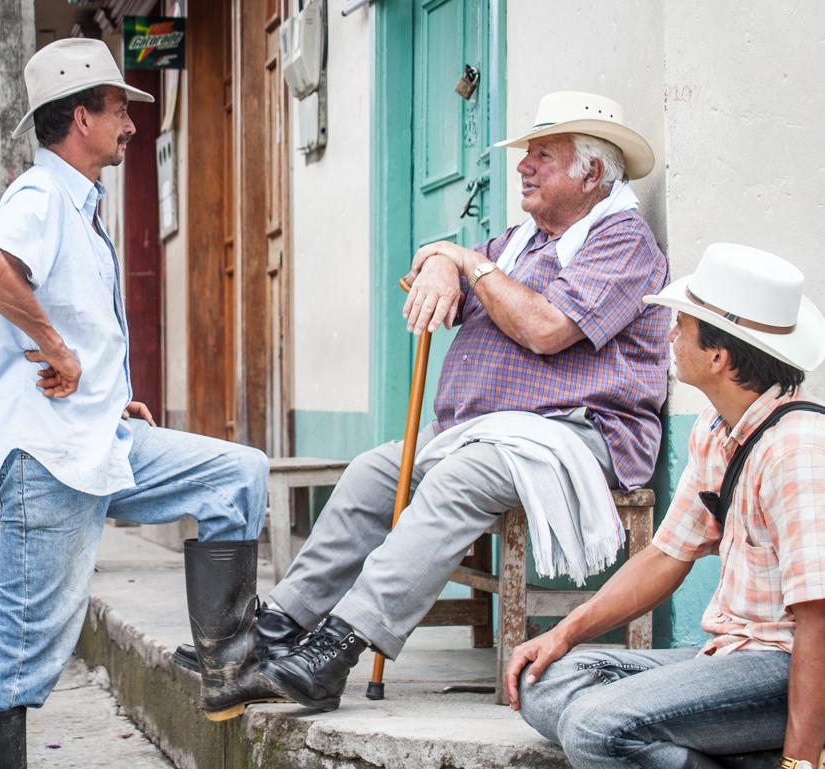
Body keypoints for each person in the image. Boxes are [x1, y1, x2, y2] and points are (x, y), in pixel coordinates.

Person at [178, 90, 671, 711]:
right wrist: (439, 258)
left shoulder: (620, 241)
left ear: (592, 172)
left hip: (580, 435)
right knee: (374, 473)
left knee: (457, 479)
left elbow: (548, 329)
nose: (522, 167)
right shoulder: (524, 242)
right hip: (494, 434)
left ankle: (339, 646)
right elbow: (443, 275)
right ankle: (278, 627)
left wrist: (462, 259)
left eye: (541, 156)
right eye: (526, 154)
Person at [0, 39, 274, 769]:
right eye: (117, 111)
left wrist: (109, 397)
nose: (133, 124)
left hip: (99, 440)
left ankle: (228, 668)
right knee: (25, 650)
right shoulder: (41, 195)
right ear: (80, 118)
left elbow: (77, 315)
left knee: (239, 473)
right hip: (49, 460)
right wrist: (59, 351)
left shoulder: (80, 205)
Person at [508, 243, 825, 769]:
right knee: (544, 679)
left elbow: (819, 620)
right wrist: (562, 635)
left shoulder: (798, 453)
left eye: (682, 327)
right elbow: (664, 556)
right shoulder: (716, 429)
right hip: (729, 659)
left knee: (593, 728)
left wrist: (800, 765)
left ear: (719, 357)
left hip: (787, 669)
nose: (671, 337)